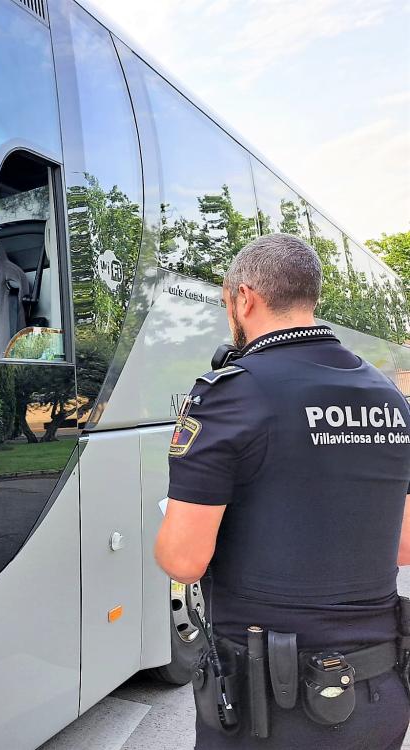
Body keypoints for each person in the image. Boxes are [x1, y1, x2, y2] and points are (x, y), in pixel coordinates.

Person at [154, 234, 410, 749]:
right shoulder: (389, 398)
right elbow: (403, 547)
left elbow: (183, 560)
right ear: (310, 297)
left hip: (272, 708)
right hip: (379, 698)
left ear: (243, 298)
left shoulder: (230, 395)